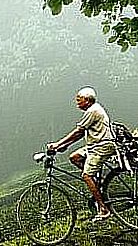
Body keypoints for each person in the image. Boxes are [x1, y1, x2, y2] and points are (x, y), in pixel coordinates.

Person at [47, 87, 116, 222]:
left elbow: (78, 132)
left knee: (86, 175)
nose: (77, 103)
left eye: (79, 100)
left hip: (101, 147)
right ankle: (96, 182)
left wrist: (57, 144)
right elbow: (81, 134)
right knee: (75, 157)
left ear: (87, 100)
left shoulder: (93, 111)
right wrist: (64, 145)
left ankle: (103, 209)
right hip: (93, 146)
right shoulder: (94, 109)